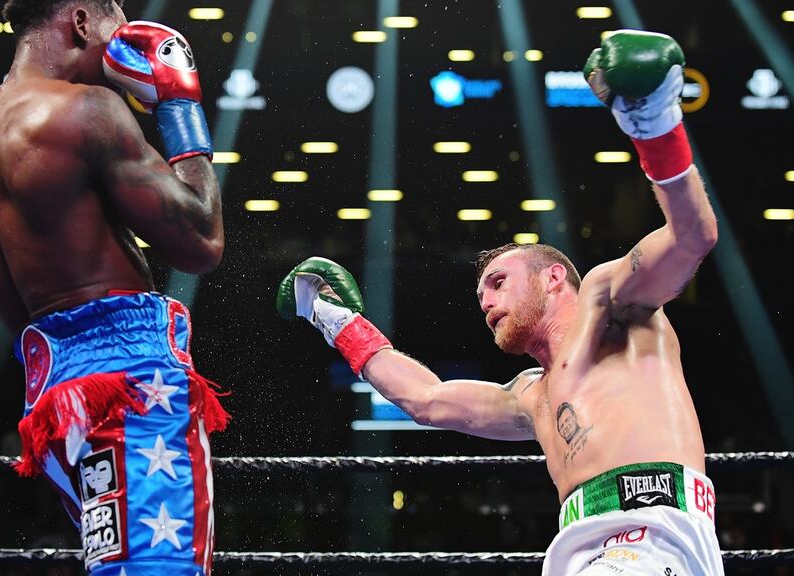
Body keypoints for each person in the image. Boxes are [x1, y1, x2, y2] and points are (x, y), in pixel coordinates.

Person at [277, 30, 723, 575]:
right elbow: (427, 398)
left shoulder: (614, 307)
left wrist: (655, 127)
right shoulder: (531, 397)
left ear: (554, 278)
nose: (485, 301)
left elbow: (690, 237)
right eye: (481, 292)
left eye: (497, 281)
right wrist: (335, 320)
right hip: (582, 549)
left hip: (651, 534)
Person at [0, 1, 229, 574]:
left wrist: (24, 293)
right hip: (131, 391)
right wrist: (180, 109)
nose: (126, 41)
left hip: (55, 409)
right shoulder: (88, 111)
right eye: (116, 23)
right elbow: (200, 240)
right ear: (81, 22)